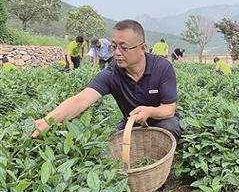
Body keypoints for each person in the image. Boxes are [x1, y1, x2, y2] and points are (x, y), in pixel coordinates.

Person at [32, 20, 180, 140]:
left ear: (142, 48)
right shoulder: (112, 73)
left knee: (170, 128)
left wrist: (149, 111)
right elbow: (81, 100)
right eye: (114, 47)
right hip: (132, 121)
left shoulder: (162, 68)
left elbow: (169, 109)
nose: (117, 53)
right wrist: (48, 121)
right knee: (113, 143)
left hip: (161, 118)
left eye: (124, 48)